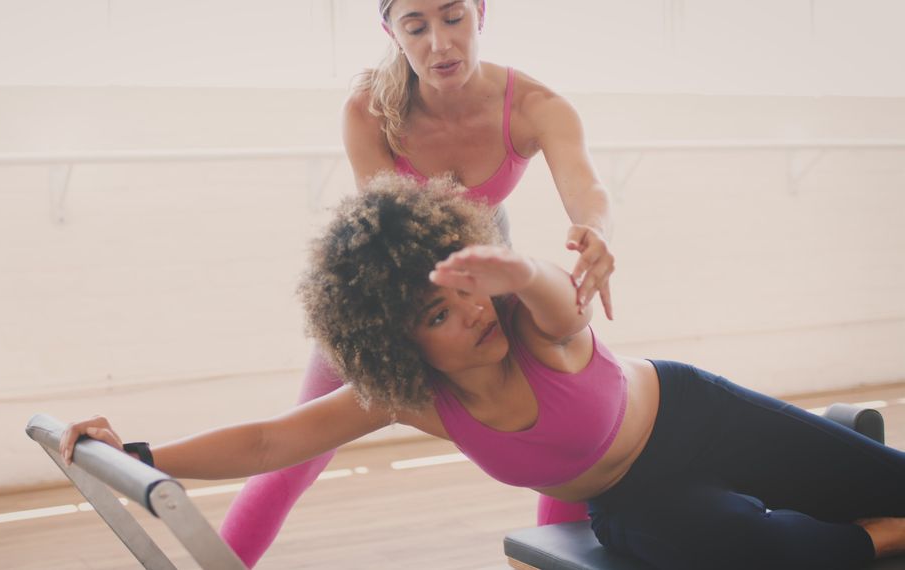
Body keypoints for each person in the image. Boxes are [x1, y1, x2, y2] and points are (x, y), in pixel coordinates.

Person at [62, 174, 905, 570]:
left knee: (891, 480)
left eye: (468, 292)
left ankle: (835, 457)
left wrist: (514, 271)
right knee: (745, 554)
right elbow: (273, 437)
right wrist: (144, 453)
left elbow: (563, 302)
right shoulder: (411, 398)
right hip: (636, 494)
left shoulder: (532, 326)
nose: (470, 315)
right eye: (438, 314)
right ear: (400, 347)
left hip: (704, 419)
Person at [221, 0, 614, 563]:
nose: (439, 42)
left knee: (570, 429)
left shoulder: (536, 106)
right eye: (416, 26)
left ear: (481, 14)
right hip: (398, 285)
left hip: (486, 273)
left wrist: (595, 230)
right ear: (391, 31)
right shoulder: (369, 109)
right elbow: (388, 231)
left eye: (454, 18)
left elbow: (586, 185)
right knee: (298, 448)